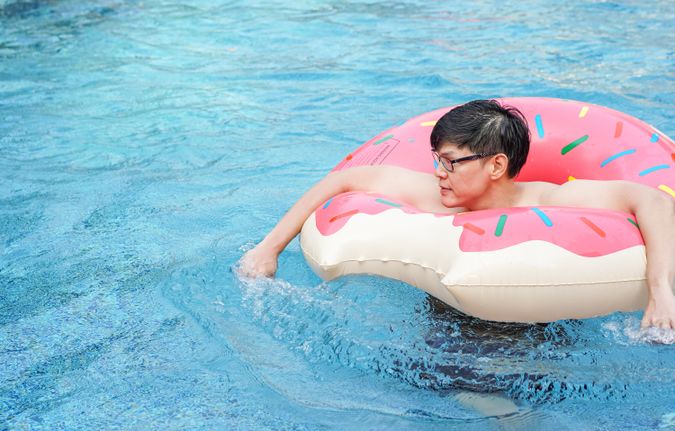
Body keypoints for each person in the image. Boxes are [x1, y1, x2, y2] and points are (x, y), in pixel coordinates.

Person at [239, 100, 675, 330]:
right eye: (436, 160)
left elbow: (653, 201)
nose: (438, 173)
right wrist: (268, 248)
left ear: (496, 166)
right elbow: (345, 180)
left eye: (450, 162)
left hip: (537, 326)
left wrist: (659, 289)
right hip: (447, 322)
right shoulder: (431, 194)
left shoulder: (548, 201)